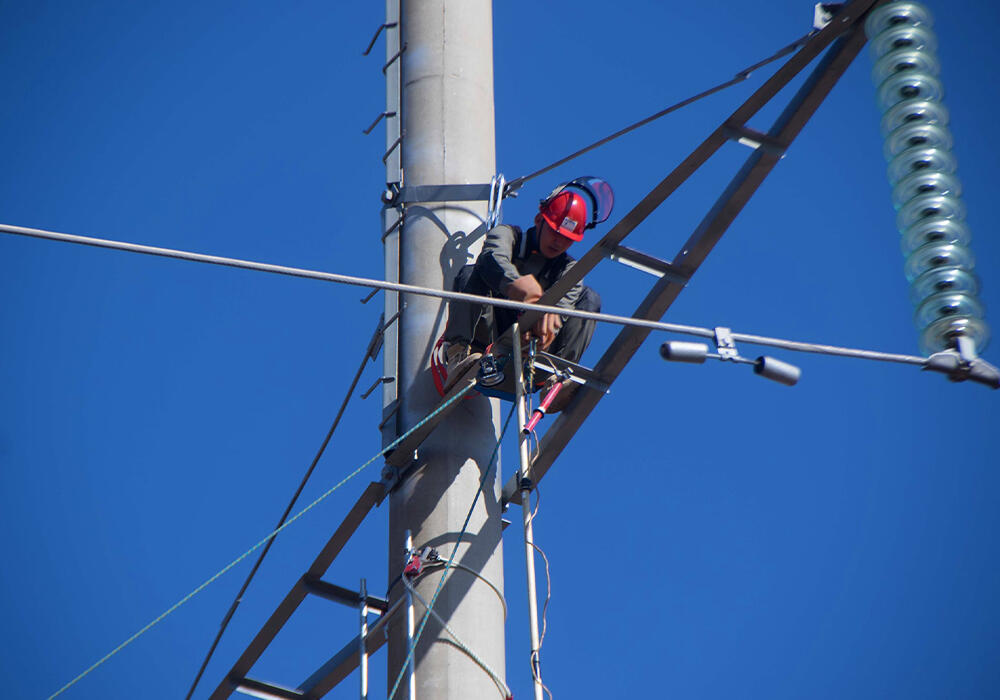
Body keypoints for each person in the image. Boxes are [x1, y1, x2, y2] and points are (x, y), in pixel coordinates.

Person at [443, 179, 610, 390]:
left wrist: (547, 328)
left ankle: (558, 380)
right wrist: (519, 287)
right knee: (473, 272)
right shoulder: (508, 236)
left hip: (534, 357)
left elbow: (563, 306)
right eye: (554, 232)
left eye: (567, 238)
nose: (558, 242)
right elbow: (492, 257)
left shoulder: (569, 270)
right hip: (485, 343)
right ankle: (458, 355)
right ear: (539, 220)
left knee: (590, 299)